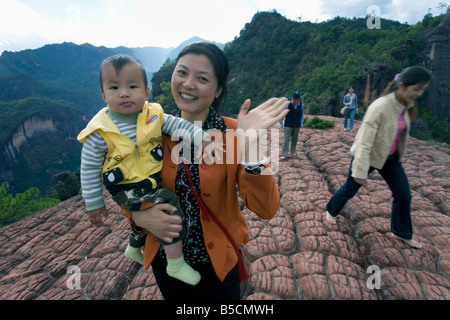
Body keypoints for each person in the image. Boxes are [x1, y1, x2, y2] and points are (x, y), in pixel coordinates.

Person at [124, 42, 289, 300]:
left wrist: (251, 147)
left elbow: (267, 209)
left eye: (202, 78)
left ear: (218, 89)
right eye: (182, 72)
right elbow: (126, 188)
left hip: (218, 264)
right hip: (166, 262)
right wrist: (138, 218)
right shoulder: (150, 132)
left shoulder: (235, 132)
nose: (188, 84)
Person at [78, 54, 220, 286]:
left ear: (146, 92)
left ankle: (134, 246)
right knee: (167, 202)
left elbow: (175, 123)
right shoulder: (99, 132)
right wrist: (93, 202)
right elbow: (89, 168)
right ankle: (175, 265)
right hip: (124, 186)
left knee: (152, 202)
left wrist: (201, 137)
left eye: (132, 86)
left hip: (148, 180)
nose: (123, 93)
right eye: (114, 87)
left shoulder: (152, 115)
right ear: (103, 95)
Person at [325, 66, 432, 249]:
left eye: (422, 89)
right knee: (350, 188)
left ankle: (401, 232)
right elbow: (364, 141)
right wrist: (360, 171)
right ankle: (331, 211)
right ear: (403, 86)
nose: (419, 93)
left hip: (389, 158)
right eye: (416, 89)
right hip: (369, 156)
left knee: (403, 194)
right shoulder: (381, 107)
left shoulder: (406, 105)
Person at [280, 92, 304, 159]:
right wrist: (281, 123)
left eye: (297, 100)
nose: (296, 101)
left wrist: (301, 123)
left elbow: (302, 115)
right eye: (295, 100)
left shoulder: (301, 105)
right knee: (286, 140)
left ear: (299, 99)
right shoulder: (288, 105)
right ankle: (284, 155)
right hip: (288, 124)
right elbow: (282, 114)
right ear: (292, 99)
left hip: (297, 125)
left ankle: (292, 153)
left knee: (295, 140)